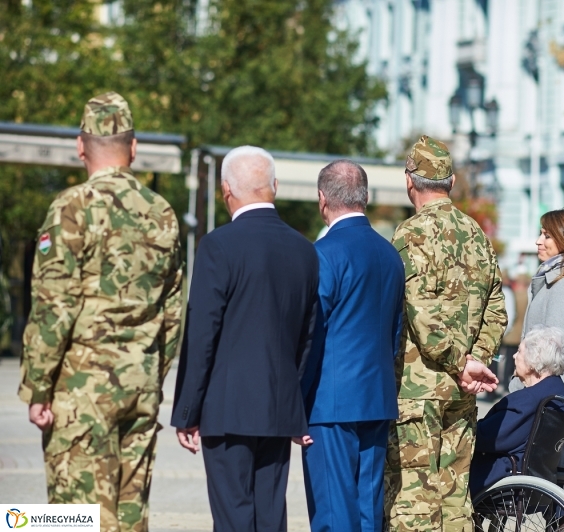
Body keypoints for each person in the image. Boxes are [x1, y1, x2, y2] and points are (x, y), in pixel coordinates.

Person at [18, 92, 183, 531]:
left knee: (75, 516)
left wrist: (38, 386)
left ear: (80, 146)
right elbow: (173, 311)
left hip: (82, 389)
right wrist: (151, 372)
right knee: (129, 514)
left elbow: (55, 306)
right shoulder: (161, 213)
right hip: (139, 384)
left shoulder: (71, 208)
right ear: (133, 148)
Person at [171, 146, 318, 532]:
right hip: (278, 406)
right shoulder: (305, 251)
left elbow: (203, 332)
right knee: (271, 516)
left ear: (226, 190)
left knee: (234, 517)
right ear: (275, 186)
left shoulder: (218, 245)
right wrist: (293, 398)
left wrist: (187, 411)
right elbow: (307, 335)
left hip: (226, 409)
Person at [384, 135, 507, 532]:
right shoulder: (476, 235)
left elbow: (422, 315)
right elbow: (497, 308)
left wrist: (460, 362)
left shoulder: (410, 234)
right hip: (462, 391)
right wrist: (477, 361)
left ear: (409, 181)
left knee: (413, 503)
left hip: (418, 392)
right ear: (451, 182)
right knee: (455, 503)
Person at [298, 160, 405, 532]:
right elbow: (394, 332)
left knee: (333, 513)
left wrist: (297, 400)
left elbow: (312, 333)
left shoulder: (324, 253)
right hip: (375, 397)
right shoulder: (390, 255)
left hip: (329, 403)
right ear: (366, 197)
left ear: (322, 199)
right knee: (367, 511)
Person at [510, 209, 564, 474]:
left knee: (558, 487)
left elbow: (551, 350)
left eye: (547, 235)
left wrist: (523, 379)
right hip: (548, 392)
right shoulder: (554, 281)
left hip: (554, 394)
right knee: (554, 486)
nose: (538, 241)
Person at [469, 325, 564, 495]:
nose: (514, 356)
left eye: (519, 351)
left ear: (534, 360)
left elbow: (487, 438)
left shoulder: (526, 401)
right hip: (537, 475)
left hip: (503, 476)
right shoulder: (559, 392)